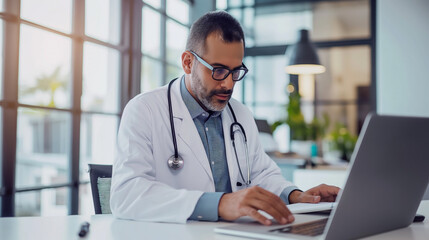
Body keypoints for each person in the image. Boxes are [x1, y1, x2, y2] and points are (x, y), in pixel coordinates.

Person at [110, 10, 340, 225]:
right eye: (218, 70)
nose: (228, 83)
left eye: (235, 71)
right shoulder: (144, 110)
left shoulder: (239, 114)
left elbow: (262, 174)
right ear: (188, 62)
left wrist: (296, 196)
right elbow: (127, 194)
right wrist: (219, 204)